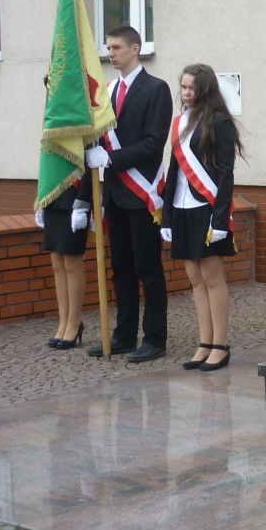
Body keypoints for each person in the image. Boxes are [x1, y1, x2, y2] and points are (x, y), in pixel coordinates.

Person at [84, 25, 173, 362]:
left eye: (117, 47)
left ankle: (155, 338)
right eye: (108, 48)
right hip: (115, 193)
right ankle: (123, 335)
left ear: (135, 48)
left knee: (147, 268)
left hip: (142, 192)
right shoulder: (107, 91)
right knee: (121, 269)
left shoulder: (156, 89)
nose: (110, 53)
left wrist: (111, 158)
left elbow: (153, 143)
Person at [160, 64, 244, 371]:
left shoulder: (219, 122)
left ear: (204, 89)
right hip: (181, 208)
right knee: (195, 279)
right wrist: (167, 216)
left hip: (206, 210)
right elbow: (174, 172)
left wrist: (220, 221)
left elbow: (225, 175)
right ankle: (204, 342)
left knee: (211, 277)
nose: (185, 93)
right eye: (182, 87)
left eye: (190, 88)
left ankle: (220, 345)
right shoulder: (180, 123)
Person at [35, 171, 91, 350]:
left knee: (71, 261)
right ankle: (63, 322)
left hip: (74, 199)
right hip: (53, 197)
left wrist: (82, 202)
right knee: (57, 261)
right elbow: (47, 167)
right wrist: (41, 198)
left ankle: (74, 323)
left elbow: (88, 169)